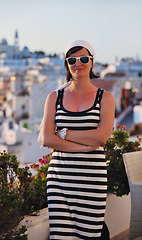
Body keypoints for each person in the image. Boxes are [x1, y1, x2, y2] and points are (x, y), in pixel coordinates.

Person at [41, 40, 115, 240]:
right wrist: (84, 147)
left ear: (92, 63)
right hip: (59, 180)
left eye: (83, 58)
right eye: (72, 59)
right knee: (61, 237)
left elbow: (101, 137)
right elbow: (46, 139)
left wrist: (64, 133)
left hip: (92, 180)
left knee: (89, 236)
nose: (77, 63)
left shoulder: (105, 98)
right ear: (66, 64)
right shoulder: (53, 97)